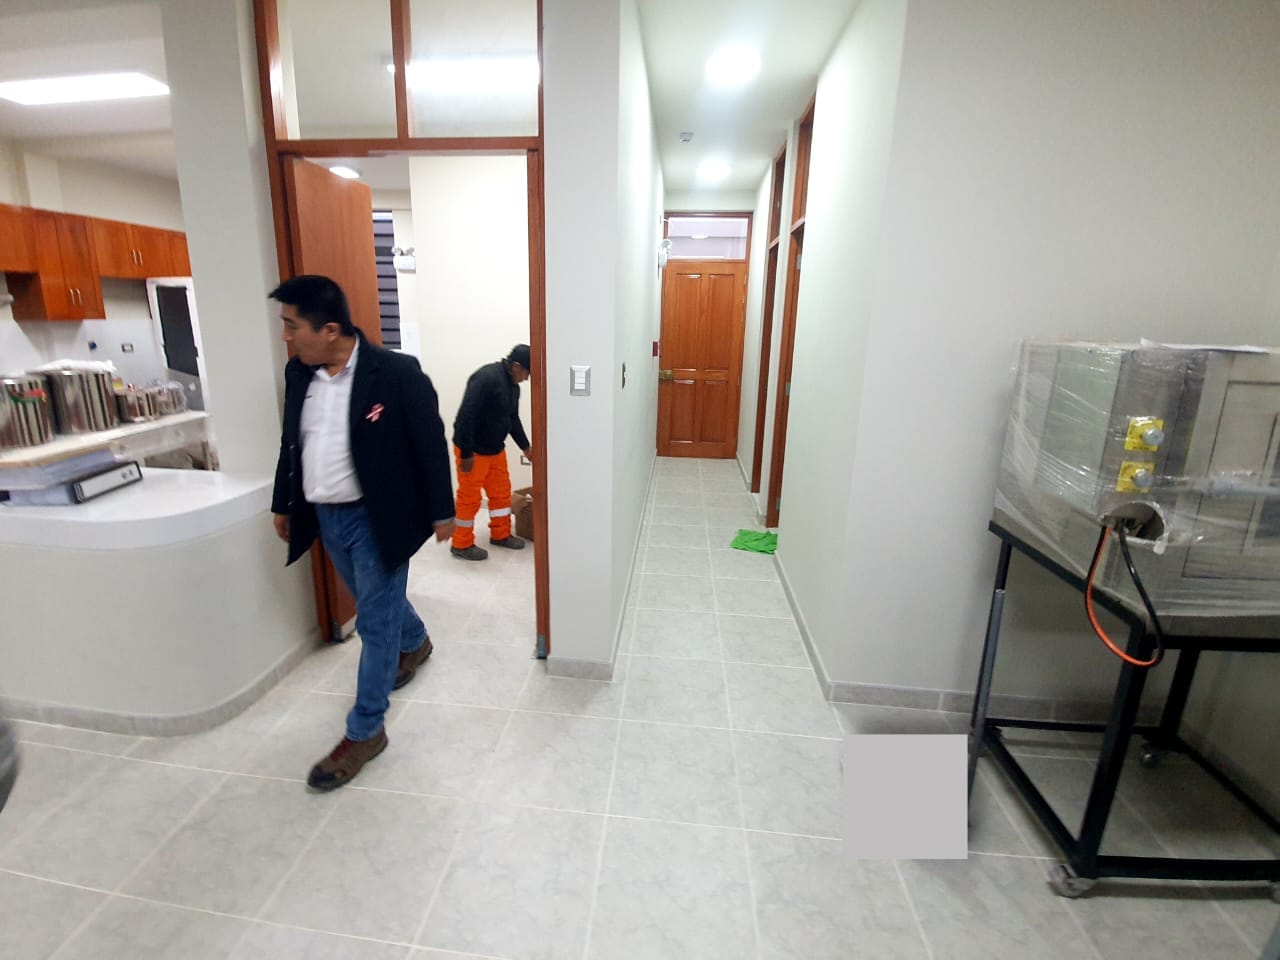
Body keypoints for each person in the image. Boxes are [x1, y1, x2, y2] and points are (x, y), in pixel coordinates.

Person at [269, 275, 455, 791]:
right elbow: (292, 443)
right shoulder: (300, 373)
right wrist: (284, 502)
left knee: (373, 624)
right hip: (325, 515)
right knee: (379, 604)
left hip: (377, 518)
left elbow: (429, 442)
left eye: (292, 326)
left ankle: (366, 730)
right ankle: (415, 640)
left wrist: (443, 511)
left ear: (330, 330)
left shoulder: (394, 373)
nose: (287, 336)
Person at [450, 344, 534, 560]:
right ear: (516, 366)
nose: (526, 378)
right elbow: (465, 415)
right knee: (470, 498)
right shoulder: (486, 378)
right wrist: (466, 454)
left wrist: (526, 447)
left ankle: (501, 534)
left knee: (501, 494)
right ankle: (461, 544)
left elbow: (512, 419)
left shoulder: (514, 388)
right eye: (526, 373)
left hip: (495, 449)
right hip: (473, 451)